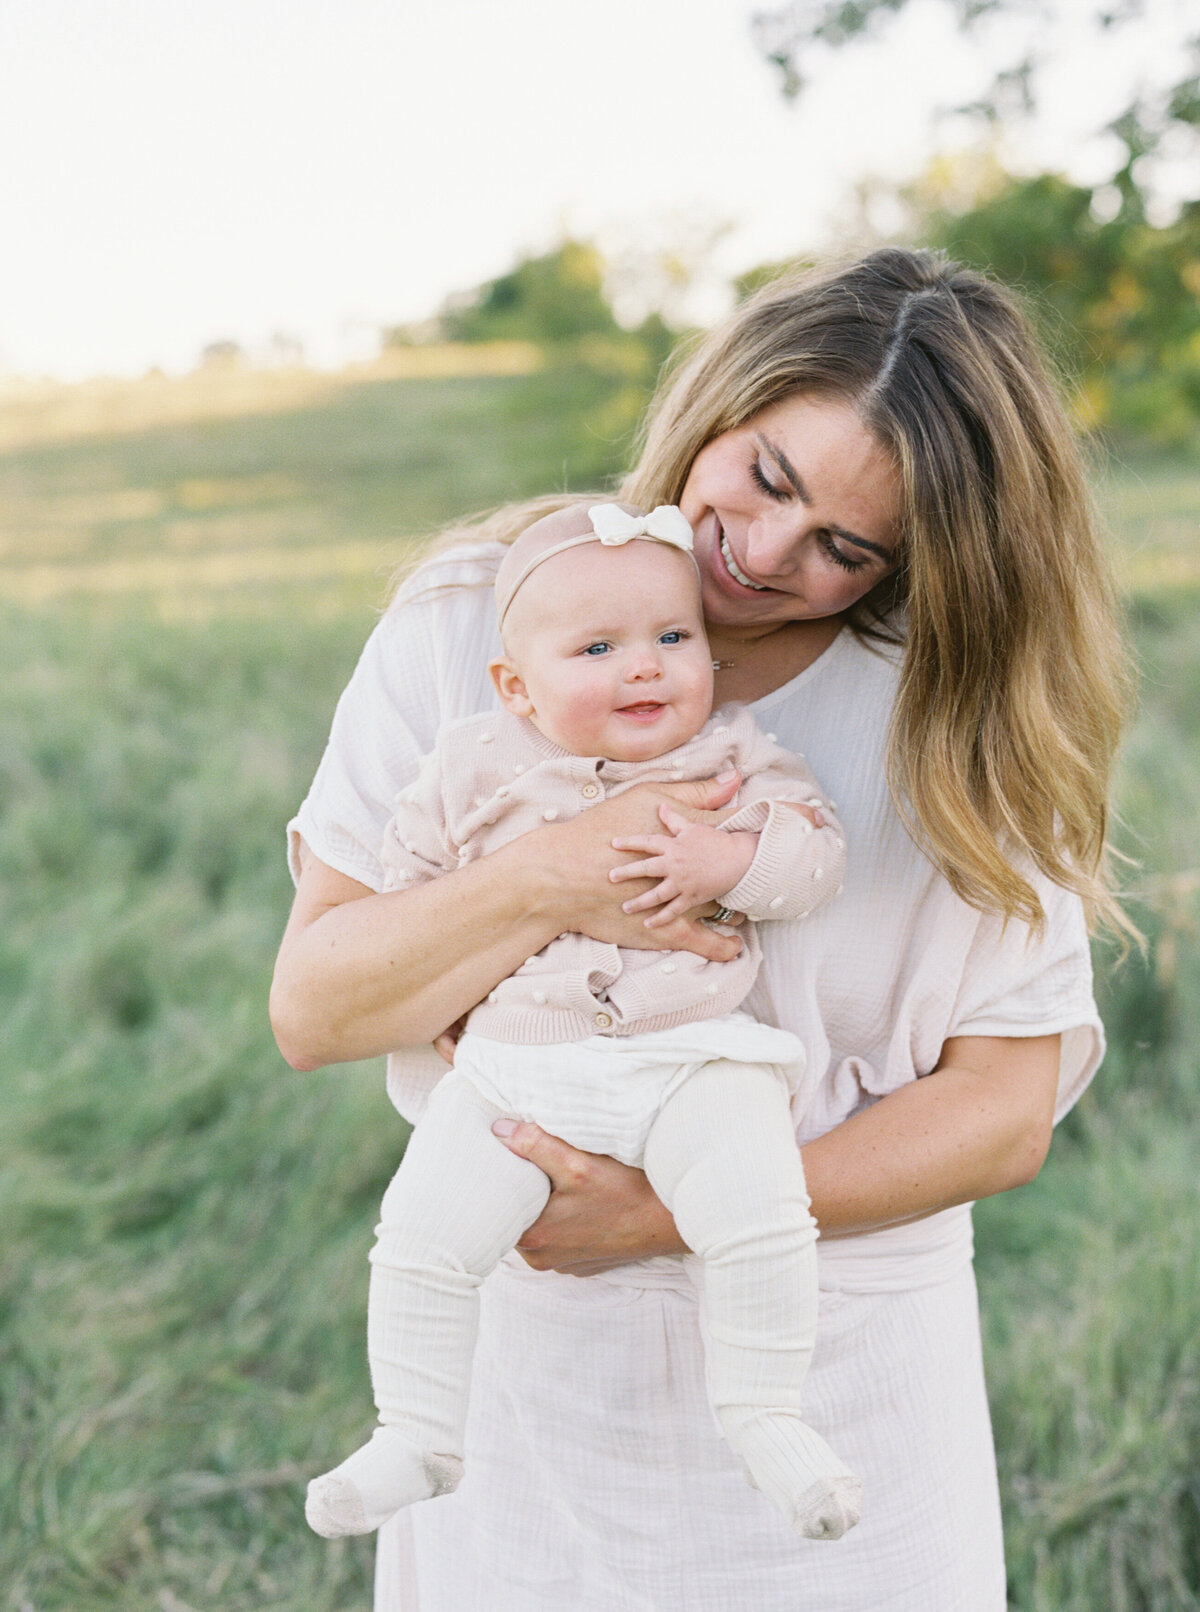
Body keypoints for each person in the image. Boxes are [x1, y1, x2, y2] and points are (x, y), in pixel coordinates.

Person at [271, 247, 1129, 1611]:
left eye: (848, 548)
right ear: (723, 400)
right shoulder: (473, 622)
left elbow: (1006, 1108)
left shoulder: (955, 719)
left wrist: (667, 1216)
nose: (767, 556)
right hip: (537, 1379)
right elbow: (317, 1011)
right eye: (768, 480)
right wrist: (555, 873)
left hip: (841, 1382)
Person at [305, 499, 862, 1544]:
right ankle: (415, 1431)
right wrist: (452, 986)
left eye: (671, 638)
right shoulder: (469, 767)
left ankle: (765, 1413)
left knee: (757, 1213)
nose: (643, 667)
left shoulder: (732, 757)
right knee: (423, 1237)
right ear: (516, 685)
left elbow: (814, 855)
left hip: (693, 1056)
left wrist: (732, 861)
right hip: (520, 1067)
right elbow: (406, 899)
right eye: (598, 647)